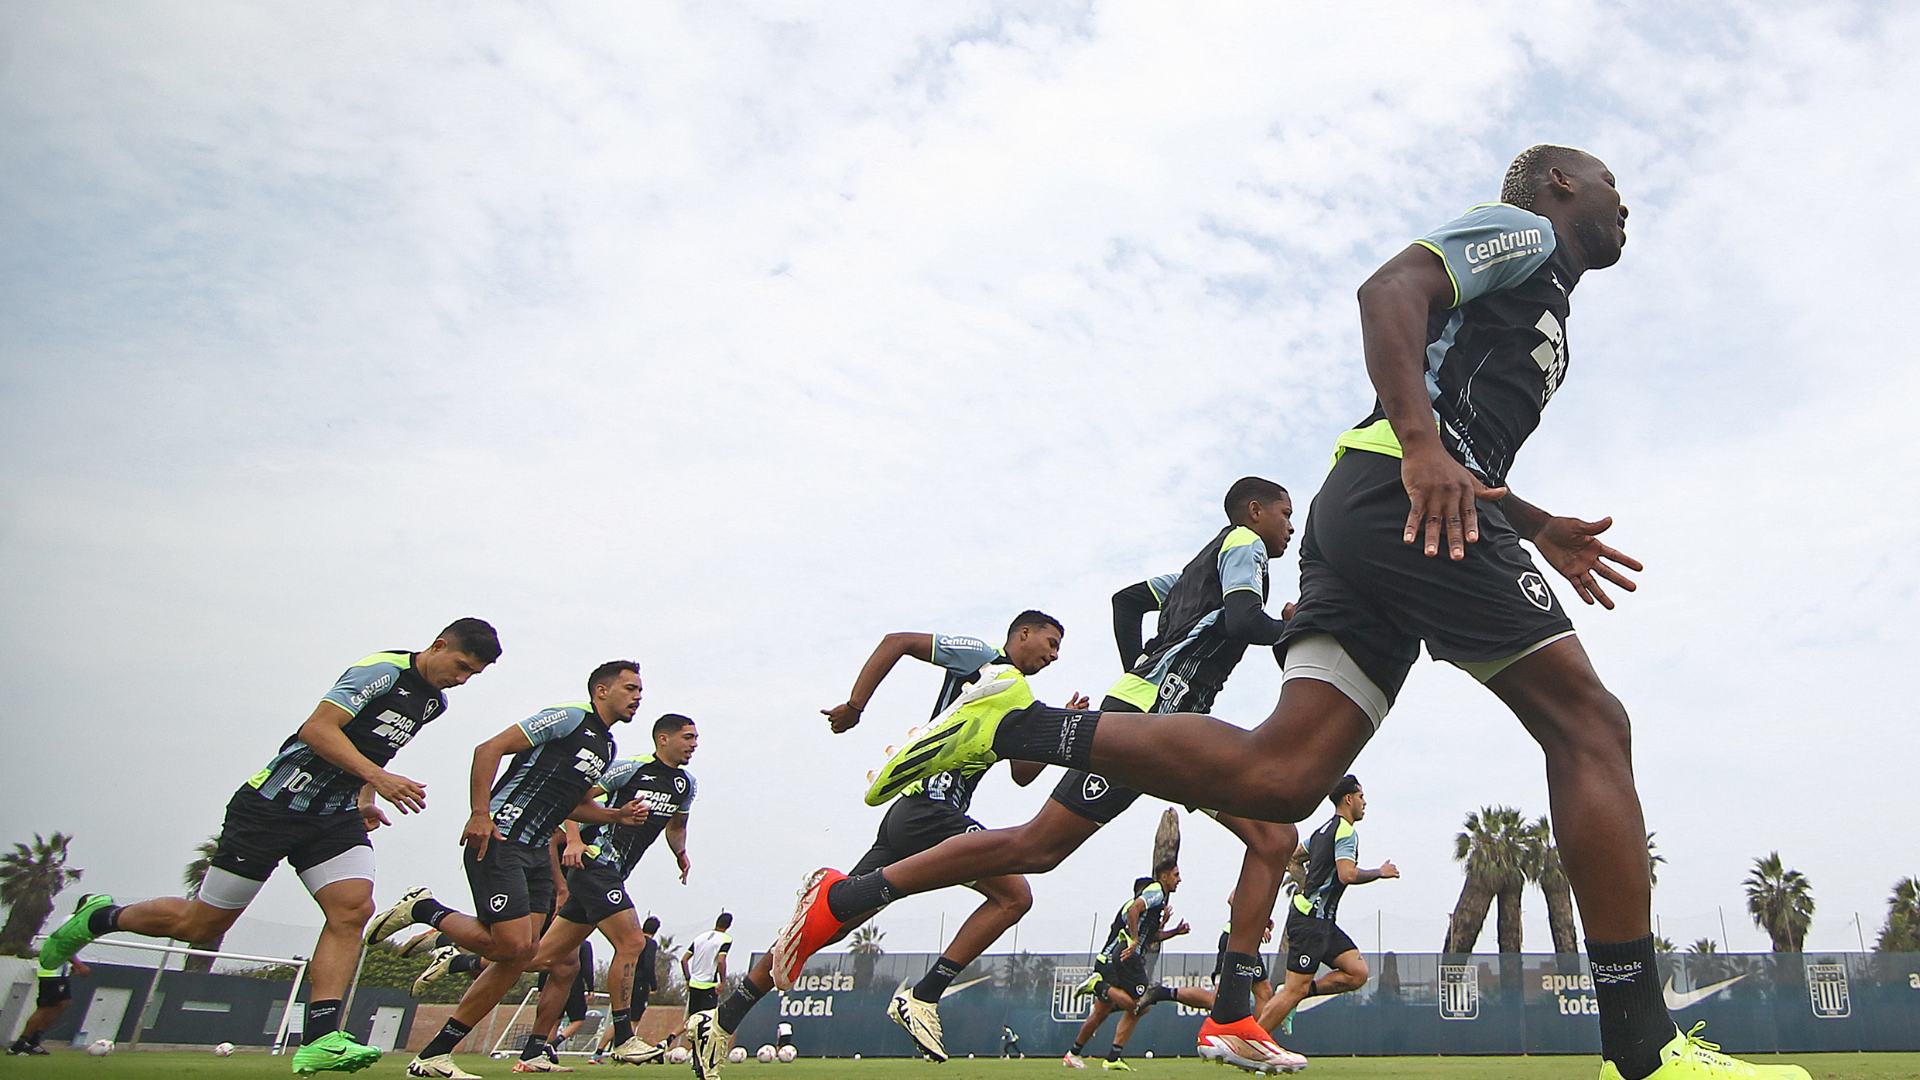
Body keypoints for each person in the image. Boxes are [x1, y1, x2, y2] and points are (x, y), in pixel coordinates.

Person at [841, 147, 1808, 1080]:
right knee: (1590, 725)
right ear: (1560, 183)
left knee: (1282, 776)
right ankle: (1644, 1049)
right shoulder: (1521, 230)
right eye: (1609, 181)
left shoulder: (1545, 299)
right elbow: (1388, 292)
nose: (1622, 202)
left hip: (1384, 505)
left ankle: (1019, 725)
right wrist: (1425, 450)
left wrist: (1535, 518)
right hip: (1407, 498)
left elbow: (1459, 428)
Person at [767, 485, 1305, 1058]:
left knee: (1272, 837)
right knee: (1037, 848)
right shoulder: (1244, 546)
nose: (1290, 527)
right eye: (1286, 513)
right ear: (1255, 511)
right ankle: (850, 894)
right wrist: (1295, 626)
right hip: (1157, 719)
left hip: (1161, 720)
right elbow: (1247, 619)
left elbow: (1127, 601)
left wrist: (1138, 673)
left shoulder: (1196, 570)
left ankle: (1229, 1015)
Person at [35, 619, 502, 1076]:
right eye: (460, 666)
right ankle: (100, 916)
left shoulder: (433, 704)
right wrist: (377, 780)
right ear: (439, 645)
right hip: (270, 808)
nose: (461, 680)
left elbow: (379, 752)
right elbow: (317, 730)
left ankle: (319, 1040)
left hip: (333, 818)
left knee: (353, 910)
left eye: (472, 676)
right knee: (200, 925)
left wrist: (363, 798)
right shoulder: (380, 670)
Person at [685, 612, 1078, 1077]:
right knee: (1014, 895)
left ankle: (722, 1019)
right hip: (932, 812)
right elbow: (898, 641)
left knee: (830, 923)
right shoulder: (983, 659)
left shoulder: (1018, 698)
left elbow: (1021, 774)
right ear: (1023, 634)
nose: (1053, 656)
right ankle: (925, 996)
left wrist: (1062, 727)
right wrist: (855, 704)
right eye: (1050, 643)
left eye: (1058, 651)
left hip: (909, 820)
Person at [366, 660, 650, 1078]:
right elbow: (489, 749)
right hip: (502, 839)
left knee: (520, 957)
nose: (637, 697)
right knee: (512, 948)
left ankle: (433, 1056)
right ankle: (425, 909)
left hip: (536, 853)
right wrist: (480, 813)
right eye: (630, 688)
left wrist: (616, 816)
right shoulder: (570, 716)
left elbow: (569, 805)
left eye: (640, 691)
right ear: (602, 691)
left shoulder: (605, 747)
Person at [516, 714, 699, 1067]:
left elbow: (677, 825)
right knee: (632, 942)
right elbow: (573, 801)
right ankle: (624, 1039)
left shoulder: (685, 784)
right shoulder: (630, 768)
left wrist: (681, 853)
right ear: (663, 739)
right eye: (688, 737)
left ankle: (459, 957)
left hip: (612, 873)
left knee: (542, 959)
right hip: (595, 865)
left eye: (695, 739)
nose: (693, 744)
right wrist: (572, 840)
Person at [1257, 776, 1395, 1035]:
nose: (1365, 802)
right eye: (1361, 796)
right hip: (1311, 921)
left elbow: (1294, 858)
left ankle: (1296, 997)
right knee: (1293, 990)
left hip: (1323, 921)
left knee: (1357, 973)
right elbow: (1347, 875)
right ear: (1349, 799)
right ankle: (1250, 1043)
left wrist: (1307, 885)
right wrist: (1380, 872)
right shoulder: (1346, 831)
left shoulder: (1321, 831)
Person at [1062, 864, 1210, 1072]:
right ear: (1163, 877)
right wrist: (1133, 940)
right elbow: (1135, 917)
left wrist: (1173, 931)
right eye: (1176, 875)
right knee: (1139, 1005)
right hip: (1119, 959)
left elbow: (1150, 937)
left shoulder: (1150, 910)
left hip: (1110, 960)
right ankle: (1099, 988)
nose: (1179, 879)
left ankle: (1075, 1053)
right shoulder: (1155, 892)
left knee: (1102, 1012)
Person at [7, 955, 90, 1055]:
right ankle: (18, 1045)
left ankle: (33, 1041)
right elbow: (64, 948)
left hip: (61, 974)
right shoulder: (62, 940)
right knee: (45, 1008)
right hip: (51, 974)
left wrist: (70, 965)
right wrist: (79, 965)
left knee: (64, 1004)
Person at [682, 913, 733, 1014]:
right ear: (729, 926)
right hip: (709, 985)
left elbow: (684, 960)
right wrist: (722, 982)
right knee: (706, 1020)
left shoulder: (700, 937)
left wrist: (688, 979)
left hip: (694, 984)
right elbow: (720, 961)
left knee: (693, 1019)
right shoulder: (726, 939)